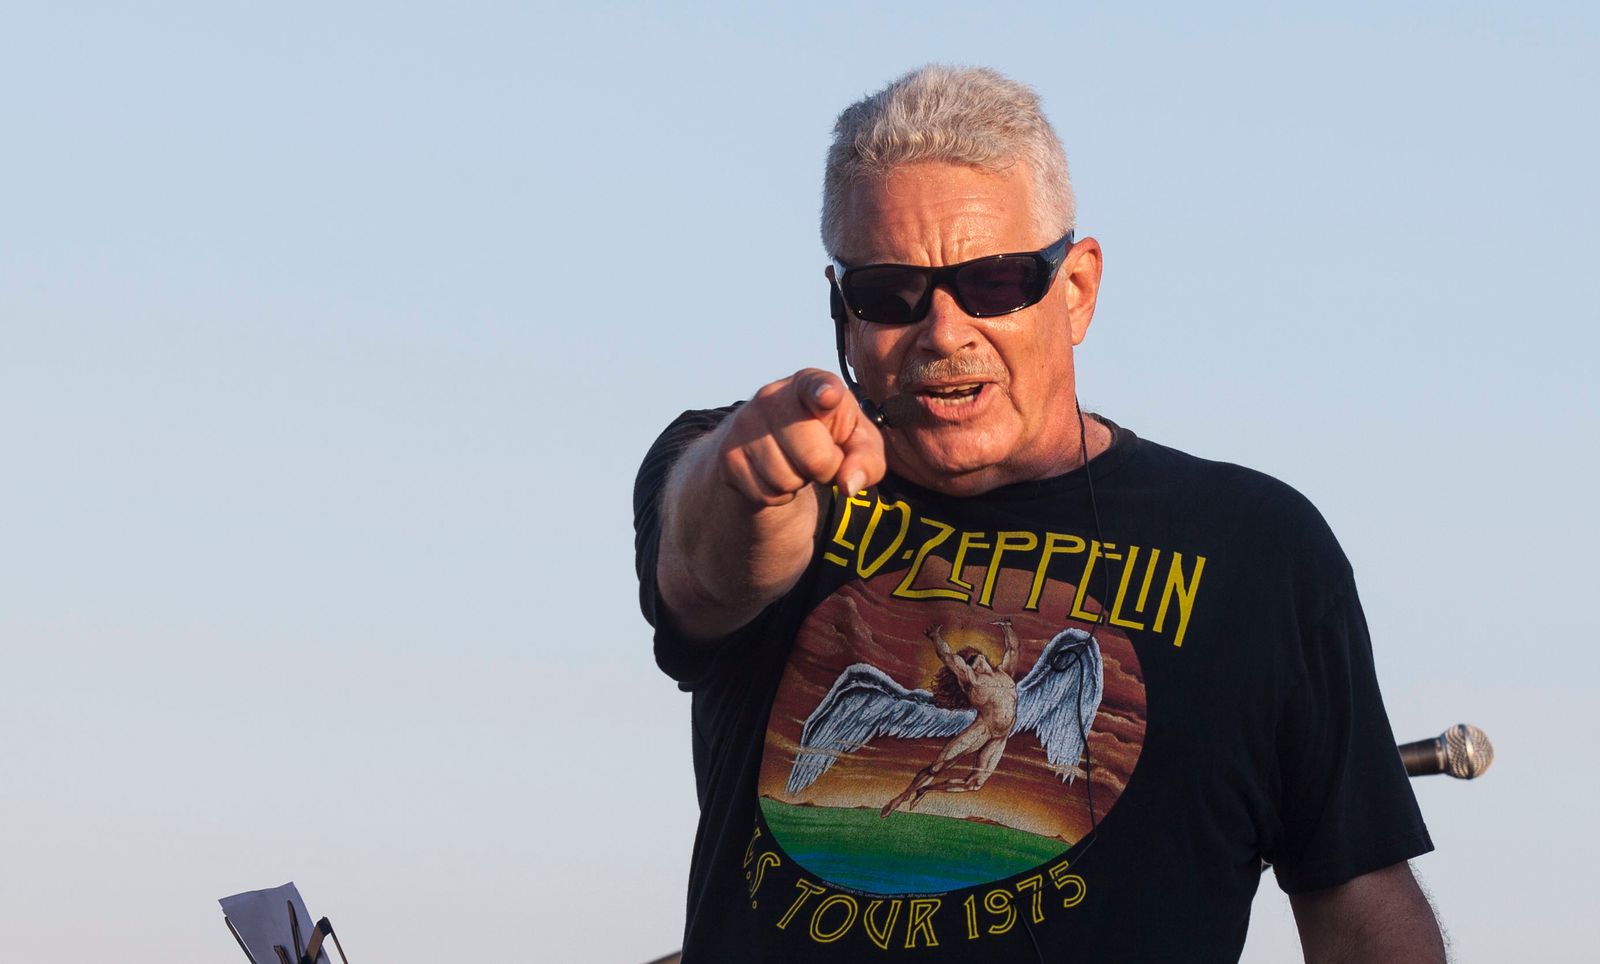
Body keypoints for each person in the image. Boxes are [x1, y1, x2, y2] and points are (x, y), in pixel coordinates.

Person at [634, 65, 1442, 962]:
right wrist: (752, 475)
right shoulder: (756, 472)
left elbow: (1360, 900)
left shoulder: (1256, 549)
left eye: (995, 282)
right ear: (843, 311)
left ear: (1077, 288)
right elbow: (708, 573)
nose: (944, 331)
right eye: (890, 294)